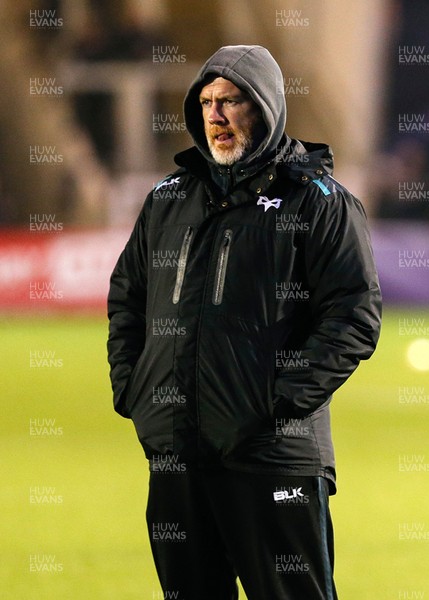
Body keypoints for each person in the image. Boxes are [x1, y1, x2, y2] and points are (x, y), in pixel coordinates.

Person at [107, 45, 382, 600]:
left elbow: (354, 314)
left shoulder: (318, 201)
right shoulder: (169, 198)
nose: (216, 115)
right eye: (207, 102)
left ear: (266, 107)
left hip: (274, 457)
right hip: (178, 455)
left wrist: (277, 402)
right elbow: (127, 299)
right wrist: (134, 392)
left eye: (232, 101)